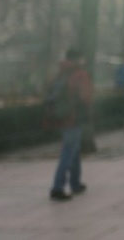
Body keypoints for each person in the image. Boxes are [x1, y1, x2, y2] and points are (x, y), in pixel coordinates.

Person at [48, 48, 94, 202]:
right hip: (75, 117)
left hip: (62, 117)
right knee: (69, 150)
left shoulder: (61, 73)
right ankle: (57, 187)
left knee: (74, 148)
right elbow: (85, 97)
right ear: (78, 59)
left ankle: (75, 183)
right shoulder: (80, 74)